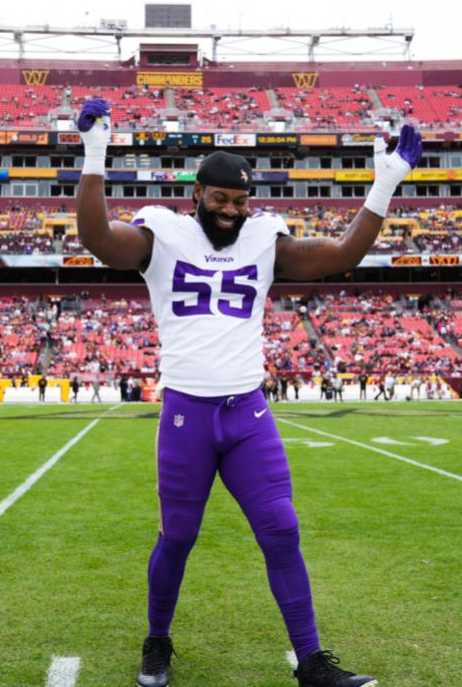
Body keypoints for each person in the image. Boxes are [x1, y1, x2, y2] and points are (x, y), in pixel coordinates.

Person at [77, 97, 420, 687]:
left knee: (282, 530)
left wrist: (384, 185)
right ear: (198, 197)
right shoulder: (163, 232)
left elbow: (340, 256)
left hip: (248, 412)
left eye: (240, 201)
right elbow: (99, 241)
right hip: (187, 410)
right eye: (221, 199)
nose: (231, 211)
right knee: (178, 536)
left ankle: (311, 661)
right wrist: (94, 154)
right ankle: (157, 641)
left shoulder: (265, 238)